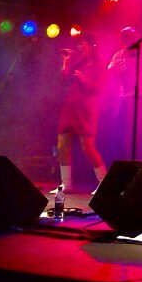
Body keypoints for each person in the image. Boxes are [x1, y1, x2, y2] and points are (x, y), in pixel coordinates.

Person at [55, 32, 108, 193]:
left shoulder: (99, 65)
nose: (78, 47)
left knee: (88, 148)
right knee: (62, 145)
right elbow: (64, 77)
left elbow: (100, 88)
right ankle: (66, 184)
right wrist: (66, 62)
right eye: (77, 44)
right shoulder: (78, 63)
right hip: (70, 107)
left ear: (91, 46)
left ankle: (104, 183)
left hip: (86, 109)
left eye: (82, 43)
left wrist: (85, 80)